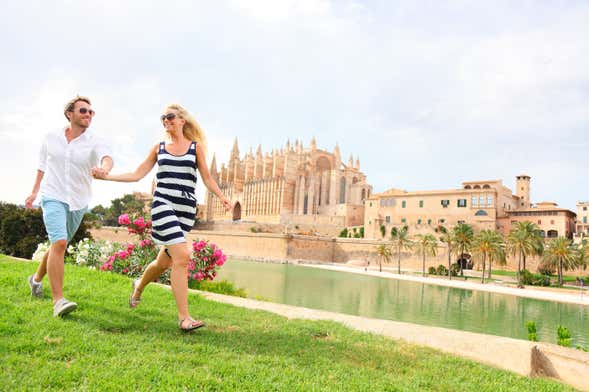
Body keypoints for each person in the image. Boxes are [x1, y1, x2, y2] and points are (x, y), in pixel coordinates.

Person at [92, 103, 231, 331]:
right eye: (163, 118)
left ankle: (138, 286)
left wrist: (222, 197)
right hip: (163, 205)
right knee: (183, 256)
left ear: (182, 120)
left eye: (170, 117)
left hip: (185, 211)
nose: (166, 121)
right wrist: (107, 177)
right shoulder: (159, 148)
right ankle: (184, 318)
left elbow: (207, 178)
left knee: (162, 262)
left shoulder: (195, 148)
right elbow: (137, 174)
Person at [25, 95, 113, 317]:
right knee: (60, 242)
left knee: (57, 245)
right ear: (69, 114)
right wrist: (34, 192)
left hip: (78, 201)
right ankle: (58, 301)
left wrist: (104, 168)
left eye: (91, 112)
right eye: (83, 111)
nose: (88, 115)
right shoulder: (51, 137)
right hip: (52, 195)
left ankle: (35, 280)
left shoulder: (94, 140)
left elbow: (106, 157)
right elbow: (42, 165)